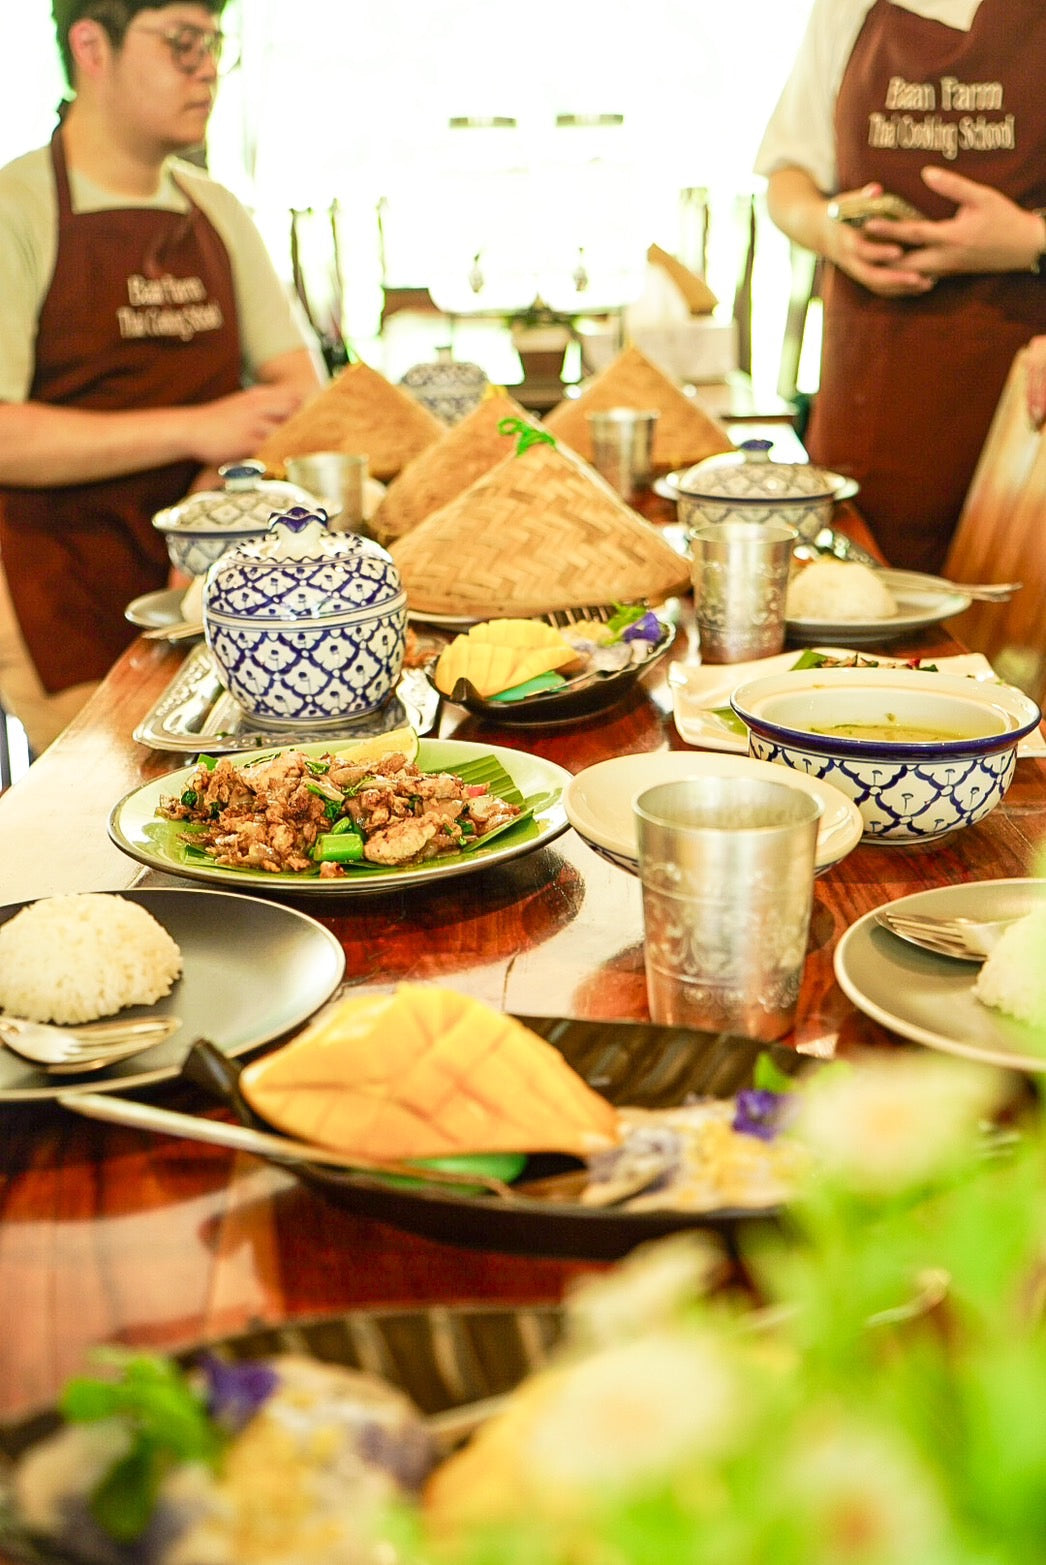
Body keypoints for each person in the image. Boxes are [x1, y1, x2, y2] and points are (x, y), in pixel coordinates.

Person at [0, 0, 323, 754]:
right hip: (61, 583)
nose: (207, 68)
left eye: (214, 44)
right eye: (182, 43)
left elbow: (298, 391)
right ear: (91, 46)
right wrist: (194, 426)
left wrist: (219, 481)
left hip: (213, 587)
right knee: (109, 800)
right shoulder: (18, 209)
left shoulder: (217, 211)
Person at [755, 0, 1046, 572]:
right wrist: (829, 230)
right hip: (874, 389)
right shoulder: (845, 8)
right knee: (861, 628)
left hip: (1022, 415)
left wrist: (1027, 240)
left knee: (1011, 640)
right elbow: (788, 178)